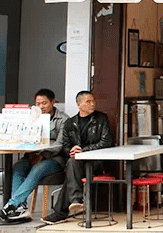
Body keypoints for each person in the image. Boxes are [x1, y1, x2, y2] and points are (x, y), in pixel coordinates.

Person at [0, 88, 69, 221]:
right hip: (31, 155)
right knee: (18, 167)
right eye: (38, 103)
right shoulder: (31, 118)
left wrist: (42, 154)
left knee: (37, 169)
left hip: (54, 158)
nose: (41, 107)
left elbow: (60, 144)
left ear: (52, 102)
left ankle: (12, 205)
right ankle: (21, 207)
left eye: (44, 103)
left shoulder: (63, 119)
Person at [42, 90, 113, 224]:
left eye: (93, 101)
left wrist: (83, 150)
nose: (92, 104)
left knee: (72, 169)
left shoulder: (101, 119)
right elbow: (65, 146)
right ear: (78, 104)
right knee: (73, 165)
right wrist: (72, 151)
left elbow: (106, 142)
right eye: (88, 101)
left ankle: (69, 205)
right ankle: (72, 203)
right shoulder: (69, 123)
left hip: (96, 162)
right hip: (77, 163)